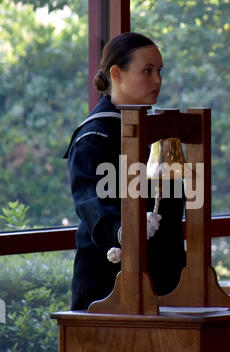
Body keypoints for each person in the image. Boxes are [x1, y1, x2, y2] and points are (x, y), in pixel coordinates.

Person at [64, 32, 186, 310]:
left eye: (159, 71)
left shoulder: (160, 134)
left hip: (165, 283)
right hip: (105, 284)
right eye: (147, 71)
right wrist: (125, 229)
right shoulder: (95, 135)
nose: (157, 80)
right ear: (117, 73)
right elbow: (90, 203)